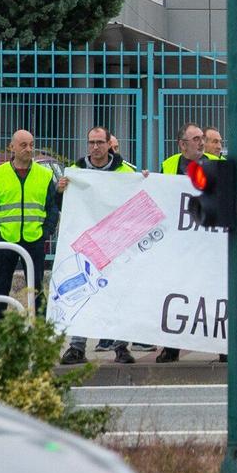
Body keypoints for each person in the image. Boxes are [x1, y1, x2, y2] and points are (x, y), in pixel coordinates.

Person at [61, 126, 137, 366]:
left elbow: (137, 200)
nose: (95, 147)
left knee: (118, 296)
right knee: (82, 295)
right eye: (91, 142)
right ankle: (76, 347)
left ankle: (121, 347)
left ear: (109, 144)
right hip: (85, 244)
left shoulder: (125, 171)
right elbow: (59, 204)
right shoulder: (76, 172)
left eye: (99, 142)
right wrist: (59, 190)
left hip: (116, 244)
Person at [0, 129, 58, 328]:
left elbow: (52, 208)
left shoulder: (45, 175)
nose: (28, 149)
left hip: (34, 240)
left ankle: (40, 335)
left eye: (31, 144)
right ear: (12, 147)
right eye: (23, 145)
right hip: (6, 241)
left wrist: (45, 233)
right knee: (1, 289)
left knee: (37, 289)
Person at [156, 124, 208, 362]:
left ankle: (222, 348)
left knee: (211, 293)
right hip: (177, 245)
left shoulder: (214, 164)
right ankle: (172, 346)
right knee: (175, 294)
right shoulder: (169, 166)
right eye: (196, 138)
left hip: (206, 244)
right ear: (182, 144)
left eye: (202, 138)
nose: (201, 142)